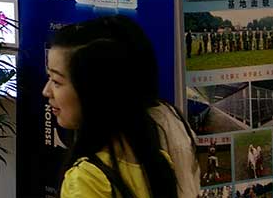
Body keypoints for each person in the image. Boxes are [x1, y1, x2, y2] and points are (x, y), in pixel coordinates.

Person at [43, 18, 179, 198]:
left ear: (95, 91)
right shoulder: (160, 162)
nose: (46, 91)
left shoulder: (86, 180)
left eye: (57, 81)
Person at [76, 15, 198, 198]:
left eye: (59, 81)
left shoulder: (154, 128)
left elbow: (184, 190)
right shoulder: (130, 126)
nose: (48, 91)